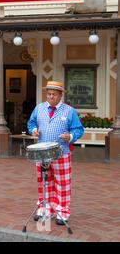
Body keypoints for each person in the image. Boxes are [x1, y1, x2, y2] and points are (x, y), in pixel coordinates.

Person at [27, 80, 84, 226]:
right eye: (49, 94)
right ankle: (45, 208)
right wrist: (32, 130)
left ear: (60, 96)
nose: (51, 97)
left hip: (61, 152)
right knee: (44, 182)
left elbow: (78, 129)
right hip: (42, 153)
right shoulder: (39, 108)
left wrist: (71, 137)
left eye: (54, 94)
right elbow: (31, 123)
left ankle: (63, 211)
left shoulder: (69, 111)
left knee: (62, 183)